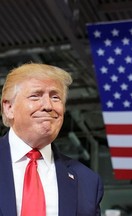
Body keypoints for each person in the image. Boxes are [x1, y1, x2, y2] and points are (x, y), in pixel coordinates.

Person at [0, 63, 104, 215]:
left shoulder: (87, 181)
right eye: (35, 96)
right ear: (9, 108)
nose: (48, 105)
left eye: (55, 97)